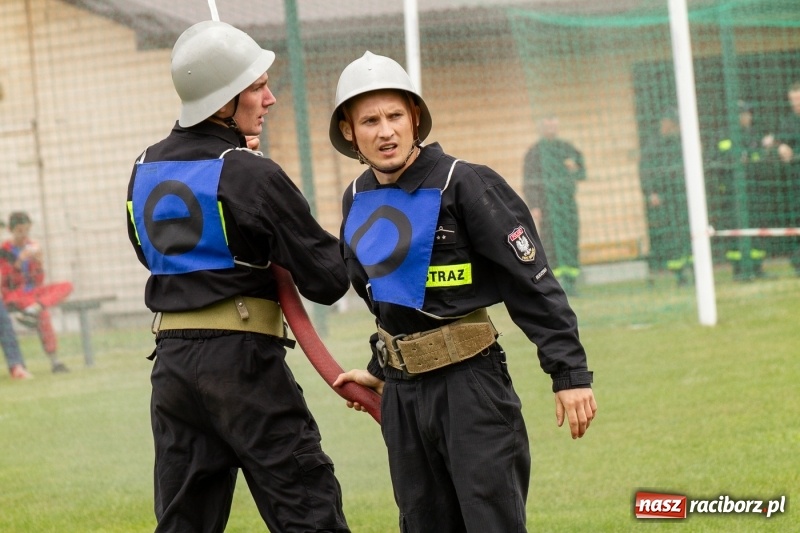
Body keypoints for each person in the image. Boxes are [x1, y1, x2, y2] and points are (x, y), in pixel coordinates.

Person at [329, 51, 596, 532]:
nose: (385, 131)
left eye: (394, 116)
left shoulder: (464, 182)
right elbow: (385, 299)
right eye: (369, 120)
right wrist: (381, 370)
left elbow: (532, 283)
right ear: (349, 130)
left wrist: (570, 373)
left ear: (415, 118)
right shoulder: (355, 198)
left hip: (471, 387)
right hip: (404, 397)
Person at [125, 21, 350, 532]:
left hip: (172, 369)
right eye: (256, 86)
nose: (269, 98)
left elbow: (151, 256)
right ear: (223, 103)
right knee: (308, 513)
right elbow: (327, 279)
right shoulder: (250, 173)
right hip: (244, 367)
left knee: (185, 523)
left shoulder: (142, 168)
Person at [0, 211, 71, 373]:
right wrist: (19, 261)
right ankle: (55, 361)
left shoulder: (31, 246)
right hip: (16, 294)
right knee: (43, 315)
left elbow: (38, 280)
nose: (23, 235)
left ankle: (36, 307)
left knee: (66, 286)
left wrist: (38, 263)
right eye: (19, 231)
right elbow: (8, 282)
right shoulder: (5, 250)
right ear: (11, 230)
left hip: (33, 292)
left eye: (26, 230)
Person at [523, 114, 586, 295]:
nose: (551, 129)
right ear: (541, 128)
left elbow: (582, 172)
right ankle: (556, 283)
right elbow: (529, 181)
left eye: (554, 126)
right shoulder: (534, 152)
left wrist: (576, 168)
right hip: (547, 205)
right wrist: (534, 205)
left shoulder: (566, 148)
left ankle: (572, 283)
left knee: (571, 239)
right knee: (550, 242)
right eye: (548, 126)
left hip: (567, 204)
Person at [711, 100, 768, 280]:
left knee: (755, 227)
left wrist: (750, 158)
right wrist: (733, 160)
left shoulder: (753, 135)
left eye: (748, 114)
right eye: (744, 114)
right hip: (731, 192)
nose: (747, 117)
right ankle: (738, 269)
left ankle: (757, 267)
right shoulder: (722, 136)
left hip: (753, 190)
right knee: (733, 229)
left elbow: (760, 157)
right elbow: (715, 159)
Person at [639, 108, 693, 286]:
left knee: (686, 231)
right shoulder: (653, 146)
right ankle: (678, 275)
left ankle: (692, 269)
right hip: (664, 196)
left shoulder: (679, 142)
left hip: (682, 194)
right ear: (664, 122)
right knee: (671, 234)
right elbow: (645, 171)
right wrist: (651, 192)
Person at [764, 82, 800, 275]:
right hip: (794, 182)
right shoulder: (786, 121)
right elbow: (776, 139)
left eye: (799, 99)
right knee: (796, 221)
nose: (796, 103)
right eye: (793, 100)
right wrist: (779, 146)